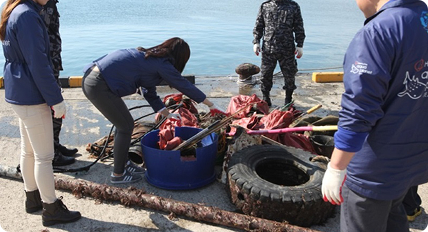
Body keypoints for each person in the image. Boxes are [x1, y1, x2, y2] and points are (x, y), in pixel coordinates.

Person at [321, 0, 428, 231]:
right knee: (393, 217)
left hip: (374, 169)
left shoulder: (379, 30)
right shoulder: (421, 17)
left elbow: (359, 108)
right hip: (412, 162)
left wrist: (337, 167)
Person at [82, 37, 227, 184]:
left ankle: (124, 164)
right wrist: (210, 104)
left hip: (97, 80)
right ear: (180, 57)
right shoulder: (162, 64)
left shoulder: (150, 59)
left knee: (126, 125)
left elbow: (148, 92)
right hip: (99, 85)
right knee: (125, 127)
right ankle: (118, 174)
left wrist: (167, 114)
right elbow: (183, 85)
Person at [0, 0, 81, 226]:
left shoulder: (13, 11)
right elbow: (39, 64)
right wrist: (56, 99)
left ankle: (32, 198)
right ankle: (51, 208)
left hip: (17, 91)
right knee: (45, 157)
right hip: (32, 95)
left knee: (28, 151)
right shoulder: (28, 15)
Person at [40, 0, 77, 166]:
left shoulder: (51, 4)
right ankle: (51, 154)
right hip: (47, 63)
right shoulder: (40, 5)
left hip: (53, 61)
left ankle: (55, 144)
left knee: (56, 108)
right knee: (51, 108)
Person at [252, 0, 305, 106]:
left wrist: (300, 45)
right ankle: (266, 99)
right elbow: (259, 26)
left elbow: (299, 26)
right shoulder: (265, 6)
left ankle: (288, 100)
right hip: (268, 48)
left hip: (287, 48)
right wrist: (256, 42)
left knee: (289, 75)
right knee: (265, 75)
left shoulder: (293, 6)